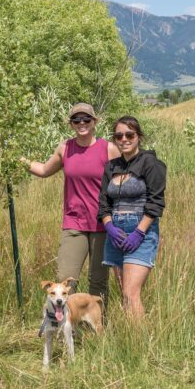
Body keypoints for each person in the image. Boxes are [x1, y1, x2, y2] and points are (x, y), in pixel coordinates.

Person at [22, 103, 120, 306]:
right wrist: (17, 160)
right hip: (74, 222)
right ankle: (66, 328)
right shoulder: (65, 148)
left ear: (95, 122)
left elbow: (123, 183)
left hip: (103, 223)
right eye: (77, 120)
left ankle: (96, 330)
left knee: (98, 281)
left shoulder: (108, 149)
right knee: (66, 280)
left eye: (86, 119)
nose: (82, 123)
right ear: (71, 124)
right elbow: (43, 170)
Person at [97, 116, 166, 321]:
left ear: (139, 136)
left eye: (130, 135)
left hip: (141, 232)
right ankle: (130, 345)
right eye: (119, 135)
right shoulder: (111, 167)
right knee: (123, 294)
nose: (124, 139)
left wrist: (139, 232)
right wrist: (109, 226)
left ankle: (142, 348)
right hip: (115, 233)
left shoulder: (151, 163)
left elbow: (156, 202)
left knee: (131, 293)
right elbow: (103, 203)